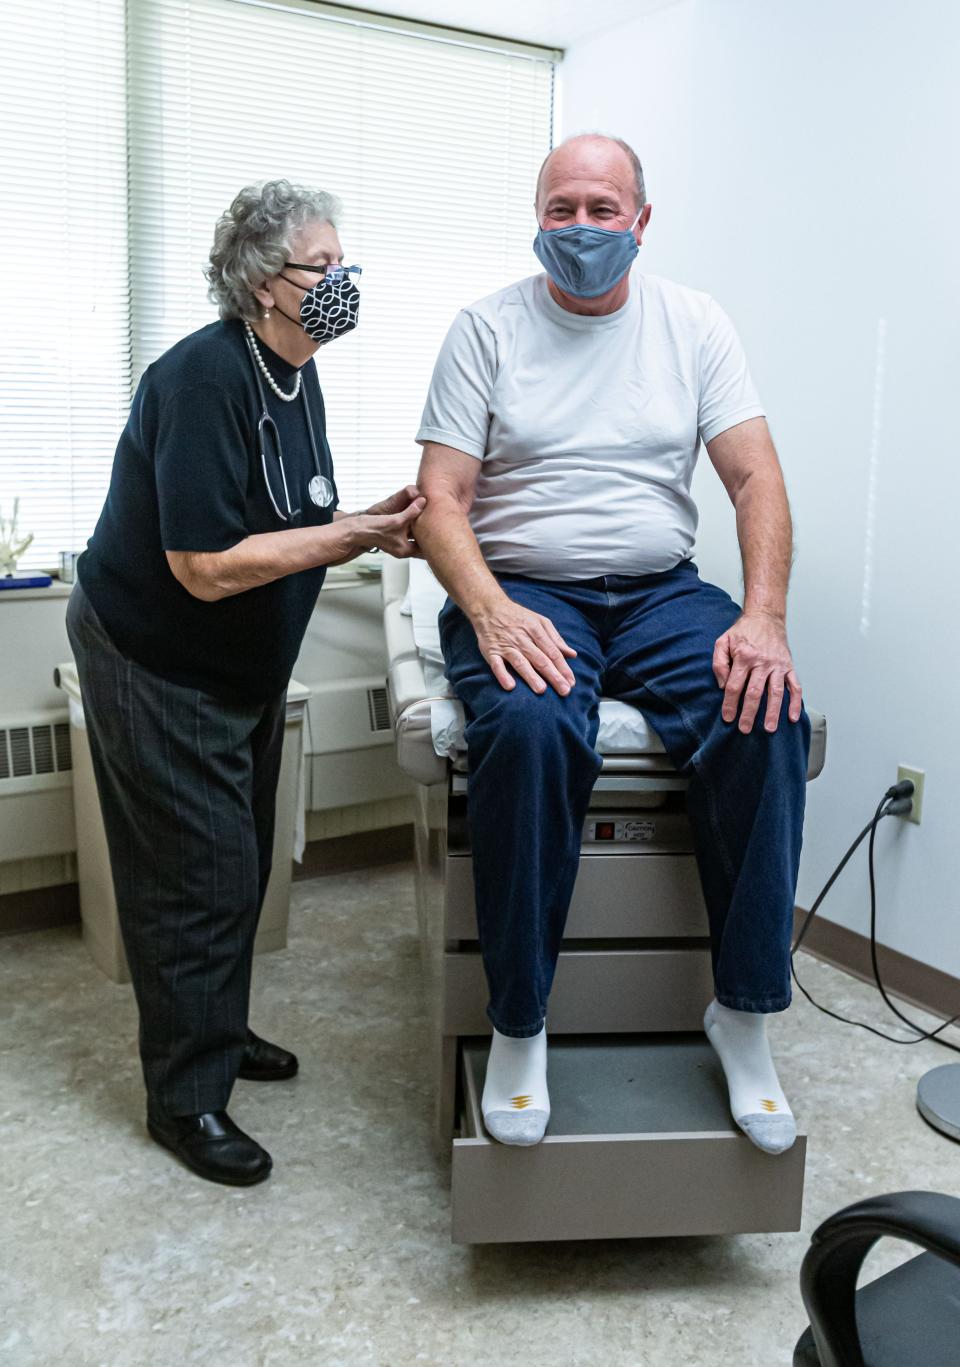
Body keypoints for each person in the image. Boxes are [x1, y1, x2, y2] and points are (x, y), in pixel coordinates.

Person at [413, 134, 810, 1153]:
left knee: (764, 711)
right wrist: (492, 609)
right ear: (536, 218)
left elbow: (755, 480)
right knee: (535, 724)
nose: (581, 229)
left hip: (659, 592)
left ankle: (747, 1012)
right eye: (561, 209)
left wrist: (762, 620)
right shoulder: (487, 329)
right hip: (523, 587)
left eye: (602, 209)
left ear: (640, 220)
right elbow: (440, 500)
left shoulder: (693, 324)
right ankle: (519, 1022)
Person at [68, 179, 424, 1186]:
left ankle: (215, 1030)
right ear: (267, 282)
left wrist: (364, 515)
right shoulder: (200, 380)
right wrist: (357, 531)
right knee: (198, 876)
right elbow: (203, 562)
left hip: (236, 670)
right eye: (325, 266)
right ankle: (184, 1098)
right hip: (156, 658)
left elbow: (286, 511)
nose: (342, 282)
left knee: (242, 857)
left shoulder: (293, 370)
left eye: (344, 263)